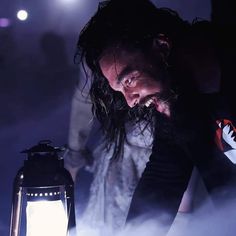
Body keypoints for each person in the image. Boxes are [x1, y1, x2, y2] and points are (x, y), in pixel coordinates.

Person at [75, 0, 236, 234]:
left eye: (129, 81)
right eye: (120, 91)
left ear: (162, 47)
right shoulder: (179, 105)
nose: (130, 101)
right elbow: (162, 179)